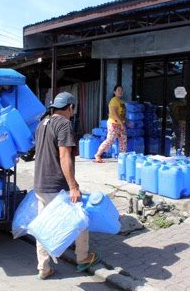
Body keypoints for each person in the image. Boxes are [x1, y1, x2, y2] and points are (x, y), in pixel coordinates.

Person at [33, 91, 100, 280]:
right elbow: (64, 157)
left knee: (43, 227)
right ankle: (83, 258)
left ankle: (43, 268)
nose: (73, 112)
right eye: (73, 109)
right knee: (80, 219)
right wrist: (73, 186)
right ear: (70, 107)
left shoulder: (42, 124)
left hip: (40, 183)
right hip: (56, 186)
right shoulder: (64, 124)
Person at [94, 85, 127, 163]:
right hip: (114, 123)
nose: (120, 91)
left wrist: (127, 122)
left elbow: (122, 114)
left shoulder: (122, 102)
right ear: (114, 92)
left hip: (120, 124)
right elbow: (114, 113)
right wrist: (122, 124)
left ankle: (122, 158)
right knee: (110, 140)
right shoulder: (114, 100)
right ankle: (98, 155)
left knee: (123, 140)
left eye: (121, 90)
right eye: (118, 90)